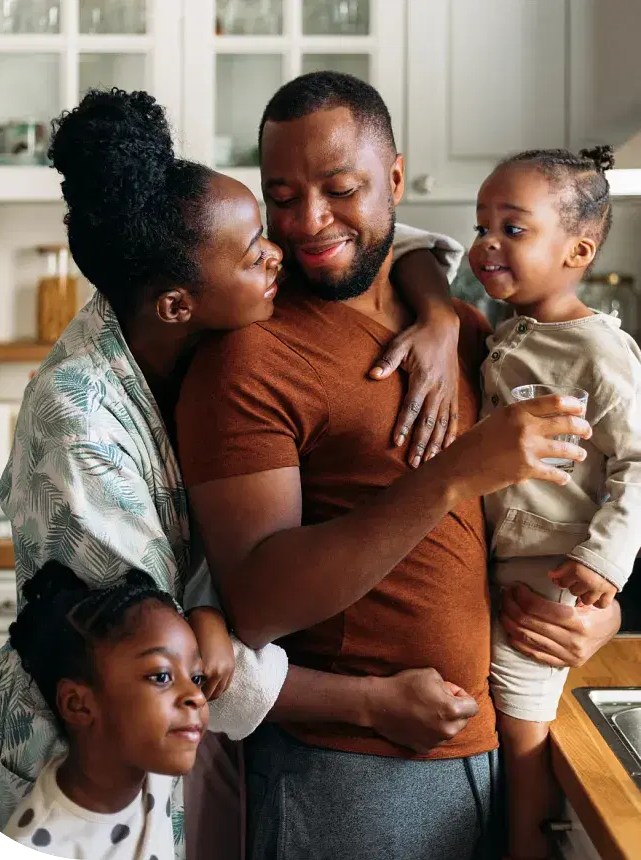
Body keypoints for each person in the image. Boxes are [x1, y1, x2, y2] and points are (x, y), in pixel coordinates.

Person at [0, 86, 484, 858]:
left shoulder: (178, 329)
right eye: (258, 246)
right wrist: (371, 701)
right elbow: (155, 662)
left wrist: (438, 312)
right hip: (80, 778)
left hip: (158, 762)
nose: (287, 248)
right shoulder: (82, 424)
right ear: (179, 303)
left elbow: (389, 240)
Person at [175, 72, 623, 860]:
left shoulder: (471, 332)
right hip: (350, 775)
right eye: (282, 196)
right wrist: (453, 473)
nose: (308, 221)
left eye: (340, 188)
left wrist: (596, 615)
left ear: (394, 179)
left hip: (490, 743)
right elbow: (257, 601)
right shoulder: (251, 357)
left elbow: (557, 505)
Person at [469, 144, 641, 860]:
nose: (487, 244)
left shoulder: (599, 352)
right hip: (508, 563)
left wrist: (605, 561)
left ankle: (526, 847)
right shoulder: (506, 334)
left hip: (556, 573)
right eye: (483, 226)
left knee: (523, 722)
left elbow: (638, 460)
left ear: (579, 250)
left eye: (513, 229)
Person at [4, 562, 208, 859]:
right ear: (78, 703)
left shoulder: (154, 770)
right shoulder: (37, 846)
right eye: (161, 676)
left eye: (197, 678)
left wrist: (209, 616)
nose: (196, 696)